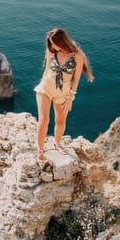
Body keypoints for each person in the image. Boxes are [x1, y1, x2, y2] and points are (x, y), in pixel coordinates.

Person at [34, 27, 94, 166]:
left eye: (54, 43)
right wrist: (42, 83)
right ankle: (40, 150)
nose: (52, 46)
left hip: (64, 92)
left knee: (60, 121)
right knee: (43, 120)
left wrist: (70, 97)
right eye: (50, 43)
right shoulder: (51, 51)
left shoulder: (78, 55)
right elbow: (47, 69)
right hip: (46, 87)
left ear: (62, 42)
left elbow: (76, 78)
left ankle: (57, 144)